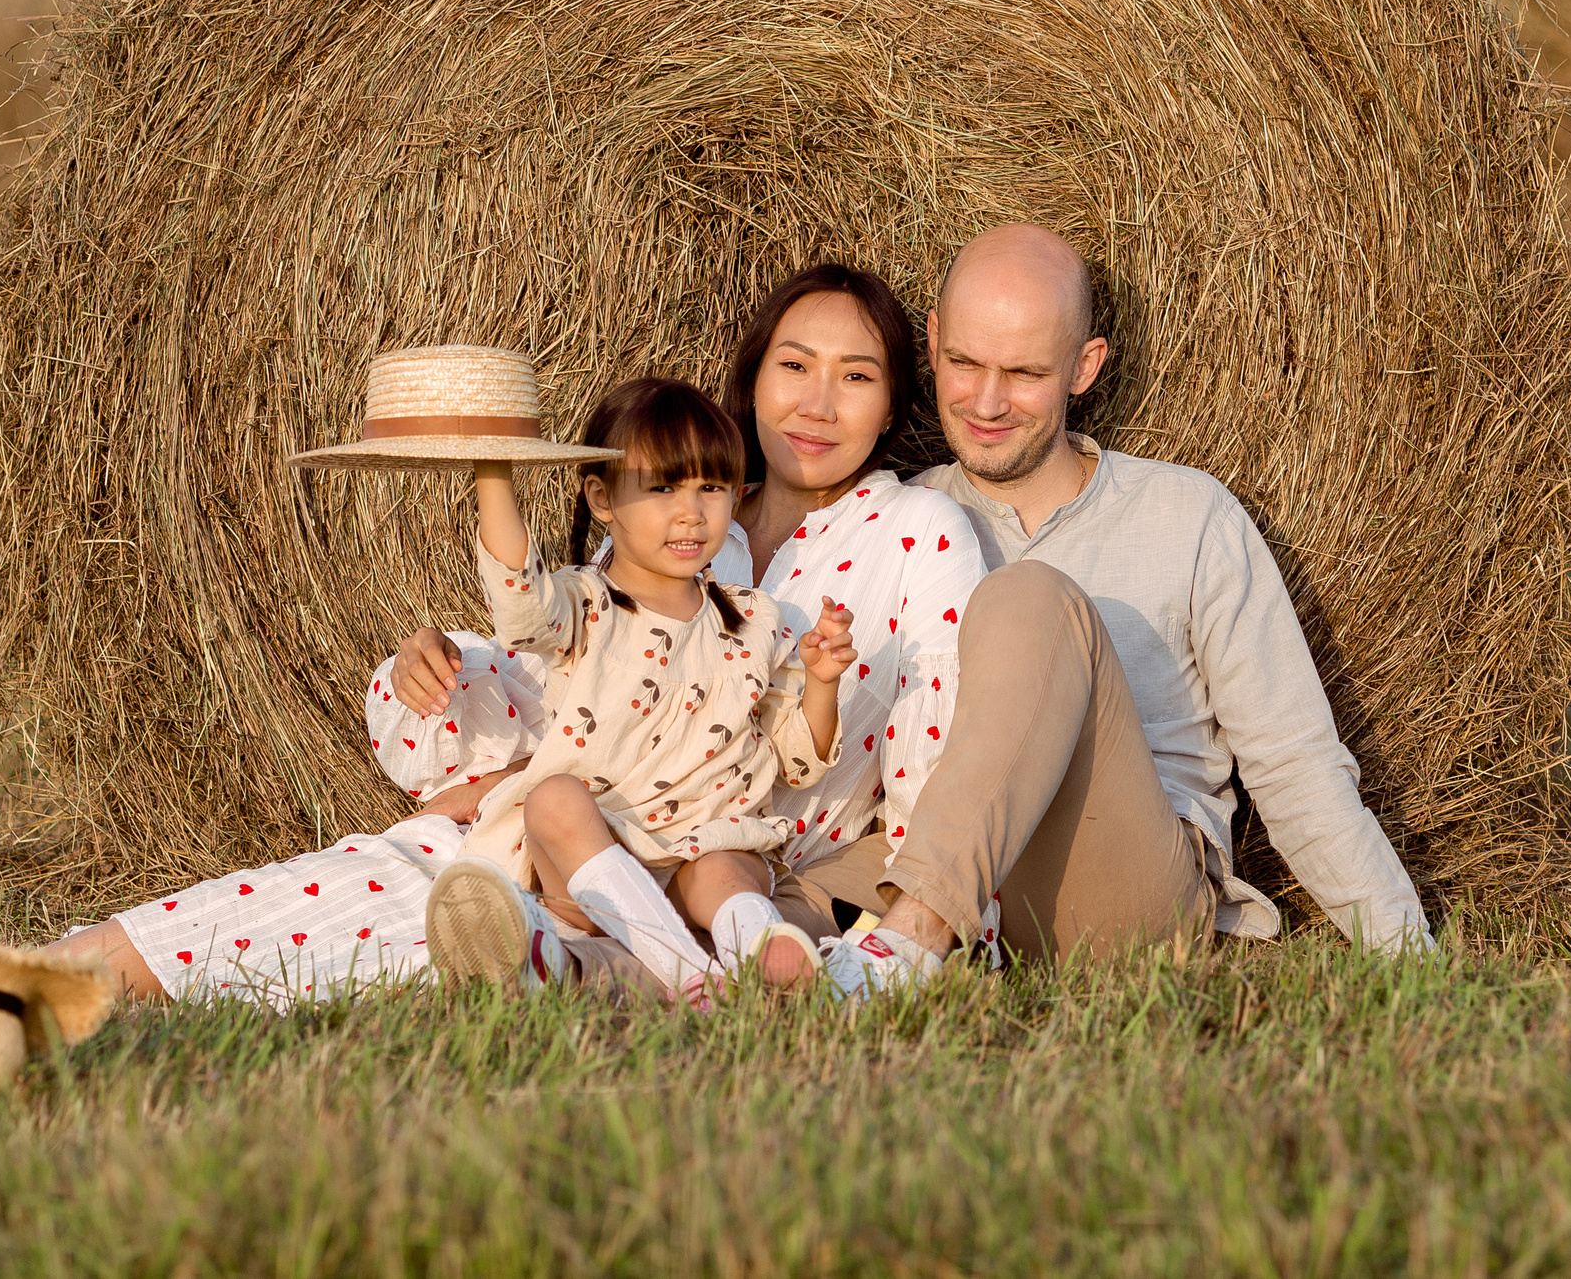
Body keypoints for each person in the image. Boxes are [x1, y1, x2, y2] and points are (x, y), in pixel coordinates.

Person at [57, 264, 985, 1005]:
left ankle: (644, 963)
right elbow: (560, 650)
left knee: (437, 939)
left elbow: (934, 743)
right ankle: (6, 982)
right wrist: (447, 668)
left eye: (856, 376)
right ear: (752, 376)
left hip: (731, 871)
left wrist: (901, 922)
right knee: (253, 913)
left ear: (895, 396)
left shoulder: (915, 533)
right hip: (556, 842)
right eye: (795, 365)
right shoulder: (679, 512)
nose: (818, 403)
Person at [803, 224, 1435, 995]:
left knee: (1029, 598)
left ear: (1084, 367)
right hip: (942, 854)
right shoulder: (897, 518)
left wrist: (1407, 952)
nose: (987, 401)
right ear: (932, 344)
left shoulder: (1188, 514)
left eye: (1025, 372)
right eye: (964, 362)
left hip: (1119, 892)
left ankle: (911, 940)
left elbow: (1296, 764)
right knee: (758, 904)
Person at [430, 376, 854, 1005]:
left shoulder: (756, 620)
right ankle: (695, 975)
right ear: (601, 498)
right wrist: (494, 466)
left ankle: (755, 951)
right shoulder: (585, 605)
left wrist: (823, 682)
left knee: (724, 870)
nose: (692, 512)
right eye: (662, 488)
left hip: (703, 855)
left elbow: (798, 759)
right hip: (596, 865)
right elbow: (519, 602)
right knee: (552, 799)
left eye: (711, 487)